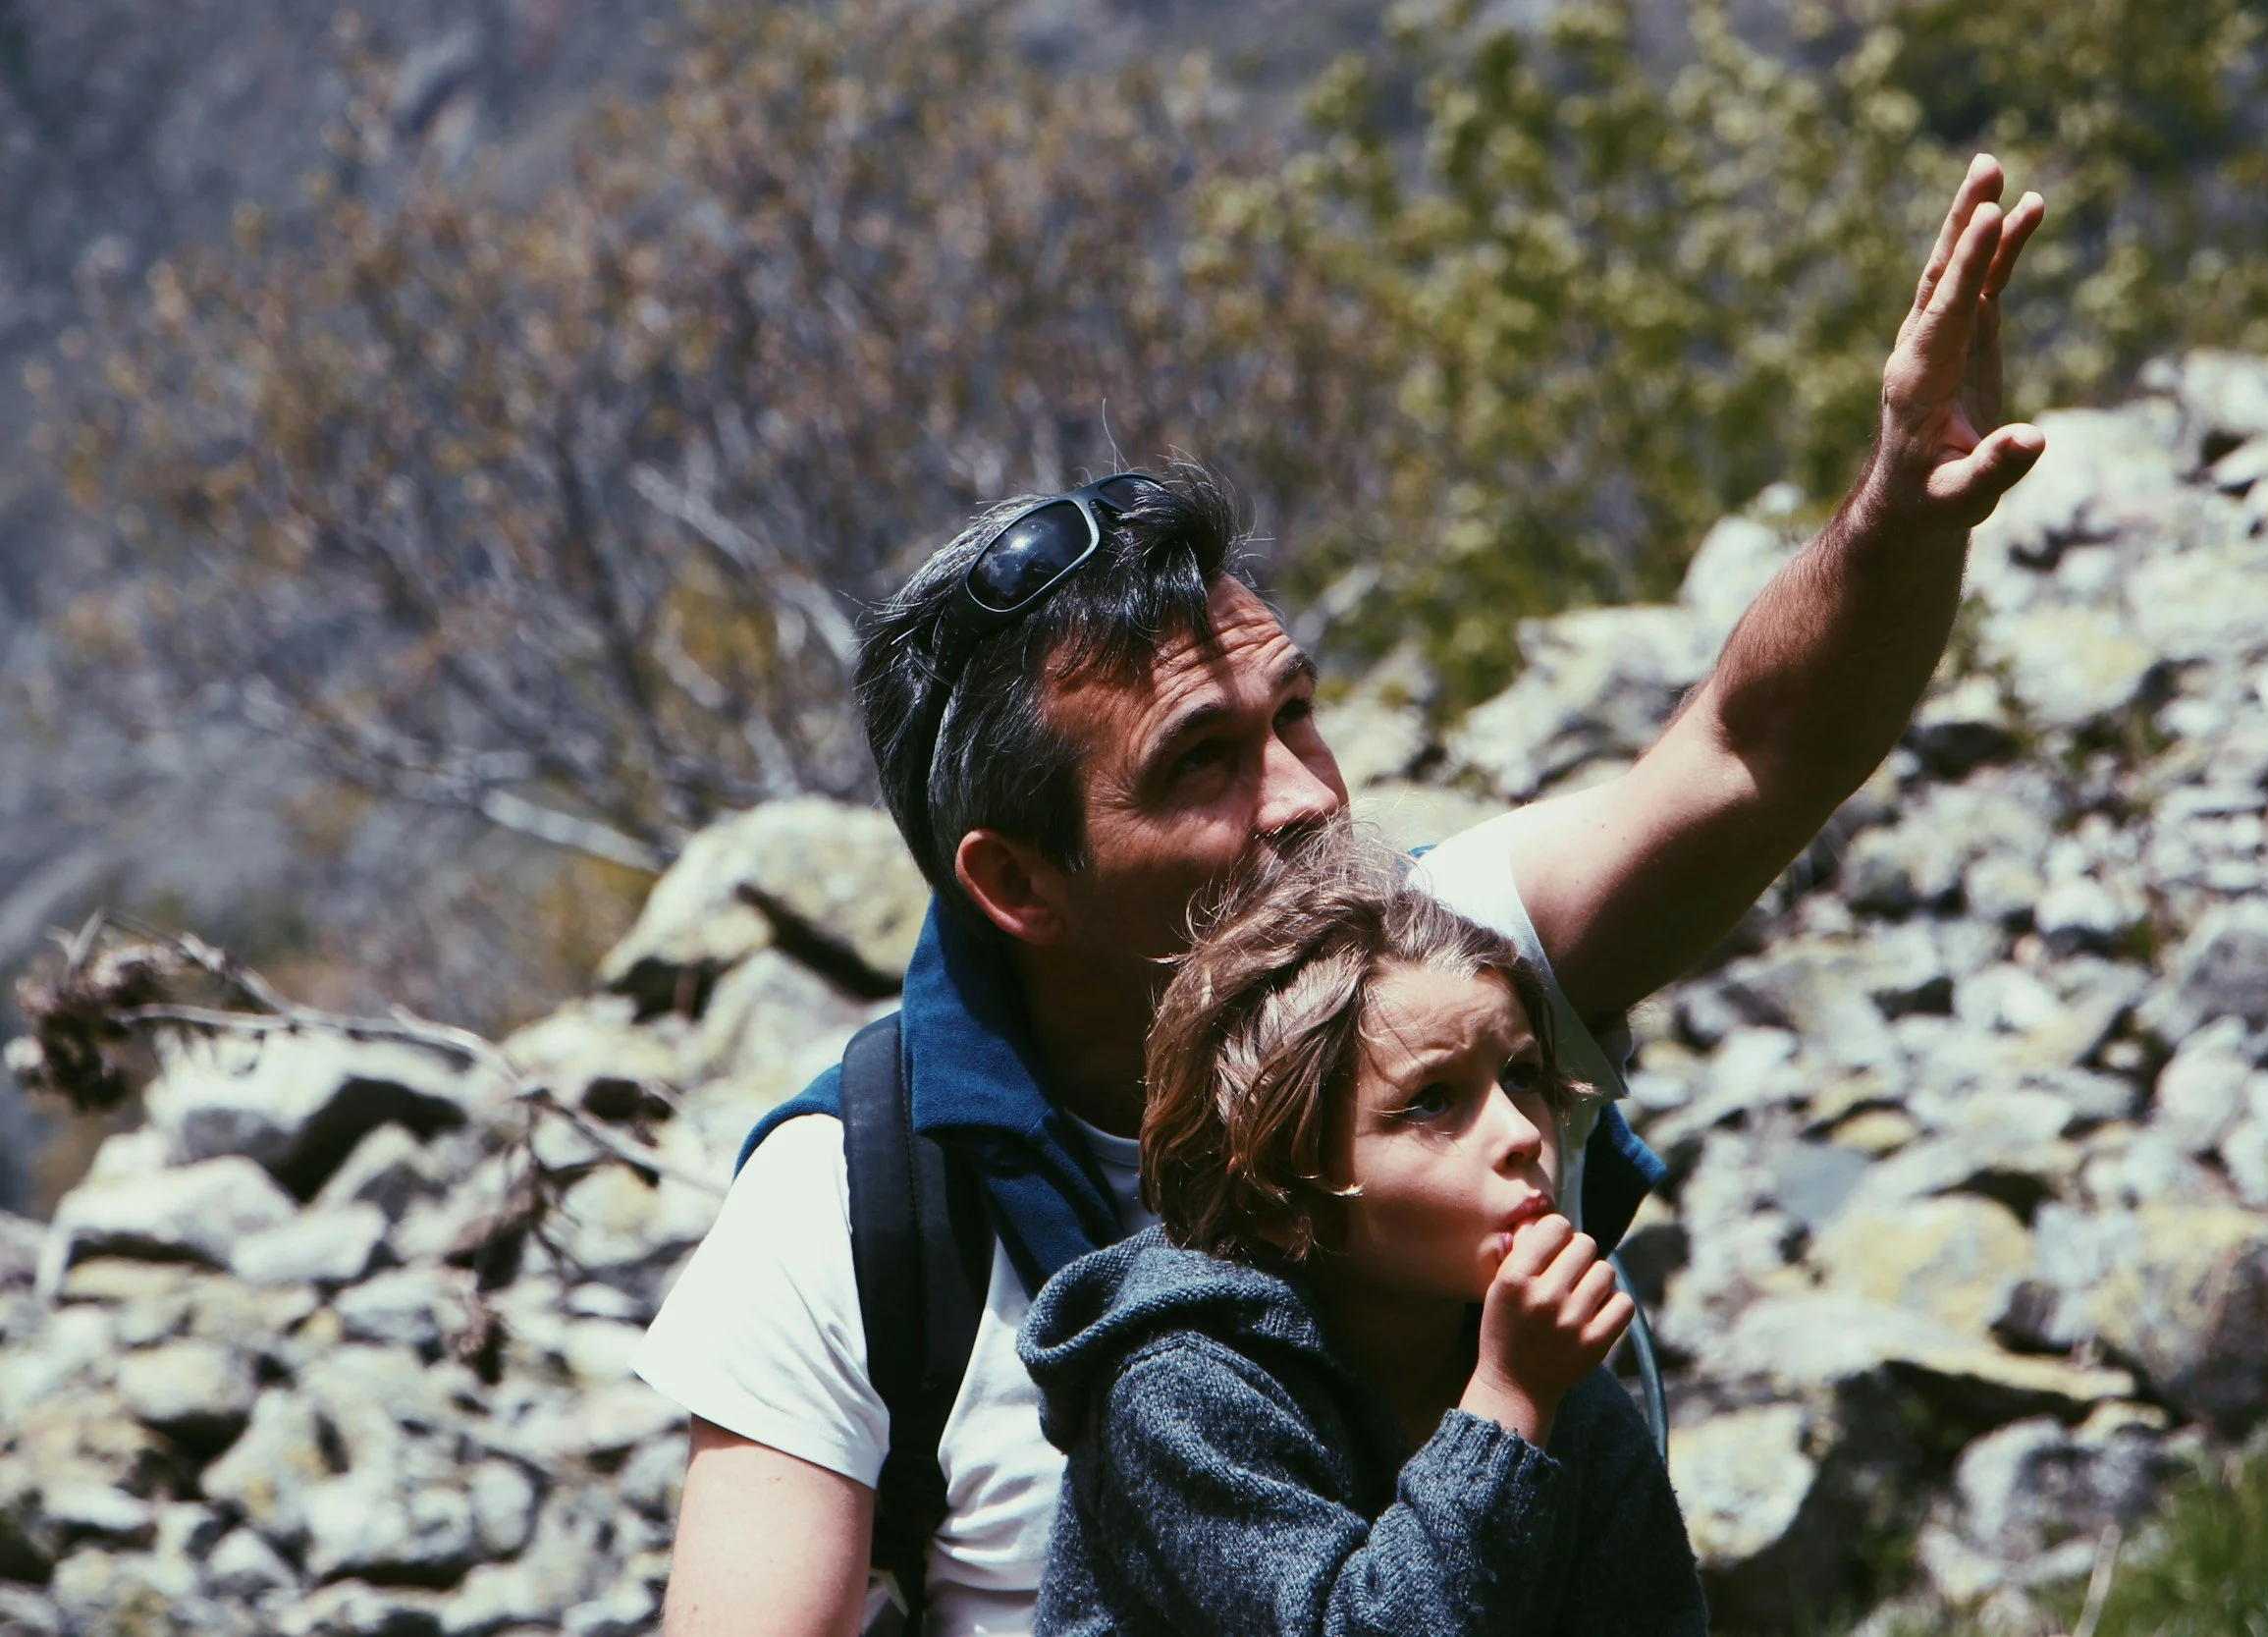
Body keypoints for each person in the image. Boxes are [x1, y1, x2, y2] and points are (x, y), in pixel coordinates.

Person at [639, 154, 2047, 1636]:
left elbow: (1754, 748)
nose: (1310, 796)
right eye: (1201, 761)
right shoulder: (851, 1210)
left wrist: (1901, 508)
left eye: (1295, 711)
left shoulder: (1445, 971)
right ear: (1017, 881)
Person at [1020, 835, 1709, 1637]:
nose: (1521, 1132)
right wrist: (1507, 1405)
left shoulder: (1553, 1378)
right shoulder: (1183, 1390)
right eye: (1432, 1101)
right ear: (1281, 1193)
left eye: (1521, 1076)